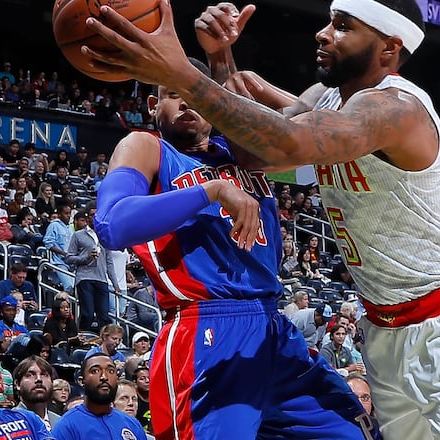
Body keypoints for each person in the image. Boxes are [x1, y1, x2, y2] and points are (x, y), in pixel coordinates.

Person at [85, 1, 440, 438]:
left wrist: (182, 73)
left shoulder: (396, 109)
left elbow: (285, 146)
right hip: (367, 327)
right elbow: (250, 150)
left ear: (388, 48)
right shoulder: (318, 101)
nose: (322, 33)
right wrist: (220, 58)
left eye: (343, 27)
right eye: (330, 21)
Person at [91, 53, 377, 440]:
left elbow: (316, 149)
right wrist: (212, 189)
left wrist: (222, 55)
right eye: (173, 94)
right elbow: (113, 224)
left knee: (355, 431)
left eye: (198, 95)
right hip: (204, 331)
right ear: (152, 105)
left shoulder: (244, 151)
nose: (187, 103)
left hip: (273, 326)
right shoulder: (147, 146)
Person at [51, 353, 147, 440]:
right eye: (95, 371)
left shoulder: (132, 424)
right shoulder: (67, 426)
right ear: (81, 381)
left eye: (110, 371)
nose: (104, 377)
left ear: (117, 379)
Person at [64, 209, 119, 331]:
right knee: (87, 313)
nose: (94, 217)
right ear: (88, 218)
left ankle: (103, 343)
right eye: (91, 215)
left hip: (101, 279)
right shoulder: (78, 235)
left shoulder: (104, 237)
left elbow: (109, 262)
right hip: (84, 277)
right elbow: (68, 258)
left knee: (104, 315)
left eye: (96, 215)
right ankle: (82, 339)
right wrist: (86, 257)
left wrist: (115, 284)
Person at [13, 355, 61, 431]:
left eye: (44, 375)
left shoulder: (60, 422)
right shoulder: (8, 424)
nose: (39, 379)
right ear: (18, 384)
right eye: (30, 375)